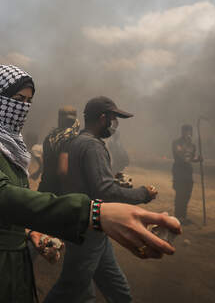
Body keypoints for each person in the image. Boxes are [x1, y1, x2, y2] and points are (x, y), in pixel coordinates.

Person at [0, 68, 177, 303]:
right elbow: (1, 196)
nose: (23, 108)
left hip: (12, 261)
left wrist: (31, 233)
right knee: (76, 287)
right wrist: (93, 212)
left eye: (28, 101)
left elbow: (12, 203)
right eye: (18, 100)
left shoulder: (11, 145)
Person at [44, 96, 159, 303]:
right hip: (88, 226)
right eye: (114, 119)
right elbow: (106, 191)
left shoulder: (74, 142)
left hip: (92, 225)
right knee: (69, 289)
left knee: (118, 289)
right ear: (103, 118)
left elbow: (78, 177)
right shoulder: (94, 146)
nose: (114, 125)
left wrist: (107, 179)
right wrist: (143, 194)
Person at [38, 105, 79, 195]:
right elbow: (63, 172)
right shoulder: (70, 139)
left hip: (45, 187)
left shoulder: (50, 137)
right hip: (61, 192)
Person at [171, 124, 201, 222]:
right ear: (182, 132)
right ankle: (178, 216)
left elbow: (190, 158)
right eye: (185, 131)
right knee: (180, 193)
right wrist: (186, 144)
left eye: (189, 131)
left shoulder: (192, 145)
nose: (187, 133)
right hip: (179, 170)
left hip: (188, 171)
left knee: (187, 194)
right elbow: (180, 155)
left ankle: (183, 216)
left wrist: (198, 159)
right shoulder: (176, 143)